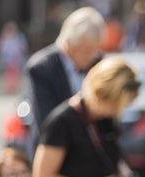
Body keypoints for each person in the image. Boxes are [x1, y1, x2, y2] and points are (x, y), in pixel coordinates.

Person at [25, 7, 105, 150]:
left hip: (92, 156)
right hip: (55, 153)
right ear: (68, 44)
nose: (92, 56)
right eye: (87, 50)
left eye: (96, 50)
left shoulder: (98, 63)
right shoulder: (41, 68)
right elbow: (48, 122)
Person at [0, 21, 28, 94]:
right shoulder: (4, 38)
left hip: (15, 58)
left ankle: (14, 87)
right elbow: (0, 47)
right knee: (9, 73)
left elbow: (22, 47)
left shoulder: (19, 38)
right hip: (7, 58)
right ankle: (9, 87)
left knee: (15, 73)